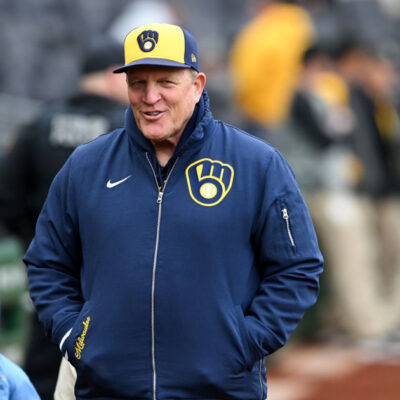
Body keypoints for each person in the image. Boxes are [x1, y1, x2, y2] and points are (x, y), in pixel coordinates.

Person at [24, 23, 323, 399]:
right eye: (138, 83)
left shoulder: (256, 164)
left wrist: (245, 343)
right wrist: (76, 336)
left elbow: (297, 266)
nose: (151, 97)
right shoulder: (86, 166)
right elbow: (48, 263)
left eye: (166, 82)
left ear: (197, 85)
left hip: (218, 389)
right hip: (108, 388)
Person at [0, 38, 127, 399]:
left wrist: (36, 241)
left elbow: (6, 194)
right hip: (111, 274)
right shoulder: (126, 128)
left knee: (45, 360)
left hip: (50, 271)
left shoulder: (39, 123)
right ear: (113, 76)